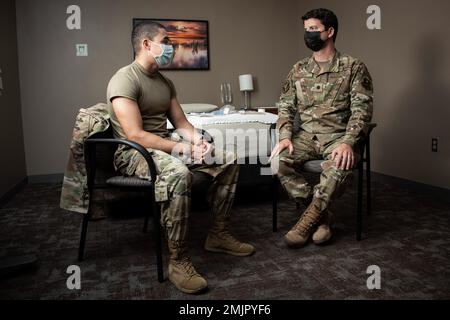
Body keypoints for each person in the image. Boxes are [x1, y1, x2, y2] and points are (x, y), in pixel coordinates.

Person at [107, 21, 254, 294]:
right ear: (147, 44)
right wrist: (181, 150)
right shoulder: (125, 79)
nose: (172, 48)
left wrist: (198, 142)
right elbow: (135, 135)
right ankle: (178, 260)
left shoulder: (165, 82)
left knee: (230, 159)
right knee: (178, 173)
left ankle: (219, 234)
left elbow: (182, 123)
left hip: (164, 145)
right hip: (133, 153)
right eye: (167, 41)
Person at [270, 8, 373, 247]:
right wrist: (285, 136)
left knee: (339, 163)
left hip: (338, 136)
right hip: (306, 136)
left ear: (330, 31)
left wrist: (349, 142)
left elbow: (362, 110)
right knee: (276, 162)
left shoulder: (353, 67)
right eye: (306, 30)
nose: (308, 35)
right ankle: (321, 216)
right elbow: (285, 106)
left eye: (313, 29)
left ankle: (307, 220)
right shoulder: (298, 69)